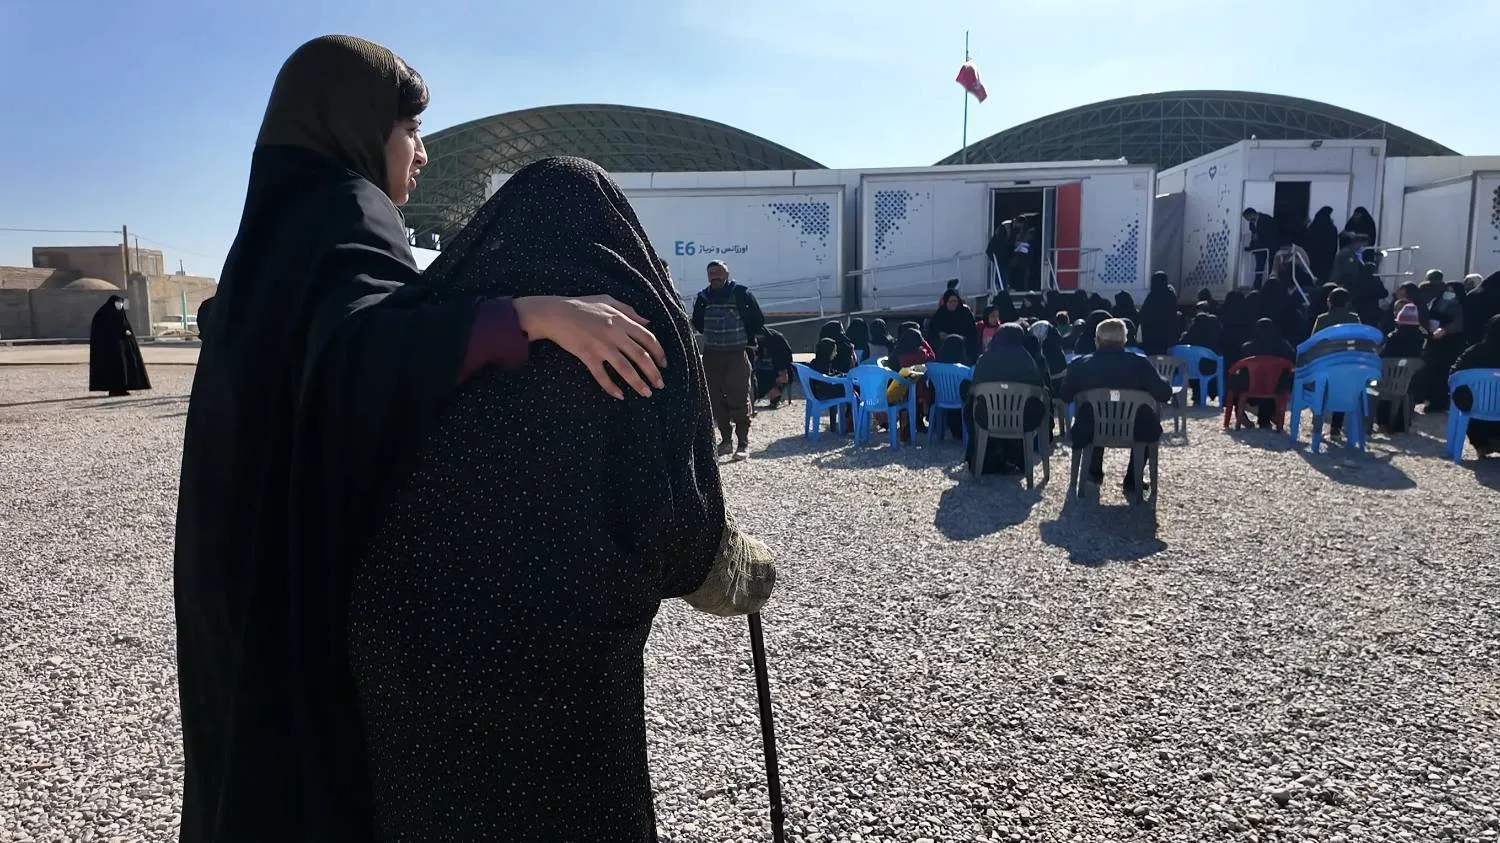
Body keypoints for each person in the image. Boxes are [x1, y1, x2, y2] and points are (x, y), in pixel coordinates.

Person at [173, 37, 670, 842]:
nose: (423, 151)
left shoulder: (271, 224)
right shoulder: (348, 206)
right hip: (305, 573)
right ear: (354, 124)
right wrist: (530, 316)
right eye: (409, 129)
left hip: (235, 565)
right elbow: (363, 360)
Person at [349, 156, 775, 840]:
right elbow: (677, 534)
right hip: (563, 679)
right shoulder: (632, 330)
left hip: (410, 653)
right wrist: (738, 568)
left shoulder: (437, 323)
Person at [1058, 318, 1173, 497]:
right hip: (1135, 427)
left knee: (1093, 412)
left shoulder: (1080, 365)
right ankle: (1133, 479)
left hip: (1091, 428)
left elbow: (1065, 395)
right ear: (1124, 340)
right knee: (1146, 421)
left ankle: (1093, 472)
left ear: (1097, 340)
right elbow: (1164, 394)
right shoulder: (1140, 363)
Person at [691, 259, 766, 461]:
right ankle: (725, 441)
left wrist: (744, 340)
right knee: (715, 400)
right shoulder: (703, 297)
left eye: (719, 273)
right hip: (711, 356)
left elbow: (757, 320)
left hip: (736, 355)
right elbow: (698, 323)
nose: (715, 277)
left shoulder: (741, 294)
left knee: (739, 399)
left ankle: (743, 443)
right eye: (711, 274)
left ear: (727, 274)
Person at [966, 323, 1050, 475]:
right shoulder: (1027, 360)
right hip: (1022, 420)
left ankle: (985, 458)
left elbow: (974, 388)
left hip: (988, 418)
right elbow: (1040, 389)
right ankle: (1018, 457)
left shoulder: (985, 359)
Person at [1450, 314, 1500, 457]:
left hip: (1476, 412)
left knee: (1465, 398)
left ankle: (1482, 444)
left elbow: (1454, 375)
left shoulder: (1473, 352)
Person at [1373, 303, 1427, 433]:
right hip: (1408, 382)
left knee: (1384, 389)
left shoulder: (1393, 337)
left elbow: (1382, 356)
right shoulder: (1421, 338)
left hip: (1387, 380)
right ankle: (1401, 425)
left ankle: (1382, 424)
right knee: (1405, 393)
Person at [1419, 281, 1469, 413]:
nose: (1449, 293)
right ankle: (1431, 400)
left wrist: (1445, 330)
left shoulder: (1461, 306)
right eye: (1447, 290)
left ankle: (1440, 402)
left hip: (1450, 344)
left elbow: (1459, 323)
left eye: (1452, 291)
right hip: (1434, 342)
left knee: (1442, 373)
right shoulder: (1436, 302)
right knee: (1431, 372)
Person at [88, 295, 151, 397]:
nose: (120, 305)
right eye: (117, 303)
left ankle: (122, 388)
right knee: (113, 368)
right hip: (109, 350)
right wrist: (121, 332)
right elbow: (103, 331)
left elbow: (124, 326)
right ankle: (114, 389)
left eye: (121, 303)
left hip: (122, 348)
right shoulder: (103, 314)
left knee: (123, 367)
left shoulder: (120, 314)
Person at [929, 289, 980, 362]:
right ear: (946, 302)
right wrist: (940, 335)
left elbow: (972, 333)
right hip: (944, 351)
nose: (953, 304)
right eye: (950, 301)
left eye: (955, 301)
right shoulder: (940, 314)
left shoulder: (965, 313)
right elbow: (932, 333)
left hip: (964, 350)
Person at [1139, 271, 1180, 355]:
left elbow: (1143, 315)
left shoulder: (1151, 297)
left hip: (1152, 338)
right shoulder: (1170, 295)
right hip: (1168, 337)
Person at [752, 327, 795, 408]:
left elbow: (786, 357)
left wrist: (781, 371)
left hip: (779, 368)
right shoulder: (758, 340)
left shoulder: (777, 339)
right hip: (763, 369)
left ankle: (775, 399)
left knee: (777, 381)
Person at [1243, 208, 1279, 287]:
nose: (1248, 220)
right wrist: (1251, 246)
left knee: (1271, 266)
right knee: (1259, 266)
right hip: (1259, 247)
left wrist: (1259, 235)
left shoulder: (1266, 218)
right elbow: (1254, 235)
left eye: (1247, 218)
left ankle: (1271, 285)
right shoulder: (1251, 223)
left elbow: (1272, 231)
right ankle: (1257, 286)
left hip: (1270, 246)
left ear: (1251, 214)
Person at [1306, 206, 1340, 282]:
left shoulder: (1313, 227)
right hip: (1327, 259)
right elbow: (1334, 246)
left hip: (1313, 258)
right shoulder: (1332, 228)